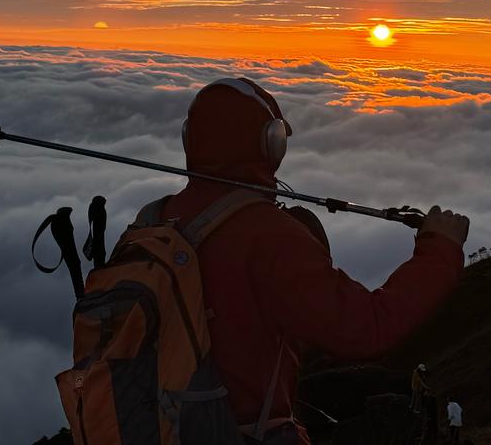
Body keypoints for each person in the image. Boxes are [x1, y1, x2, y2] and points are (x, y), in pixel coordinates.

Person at [159, 77, 470, 445]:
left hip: (161, 426)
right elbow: (365, 329)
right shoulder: (268, 235)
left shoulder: (155, 220)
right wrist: (439, 251)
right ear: (269, 143)